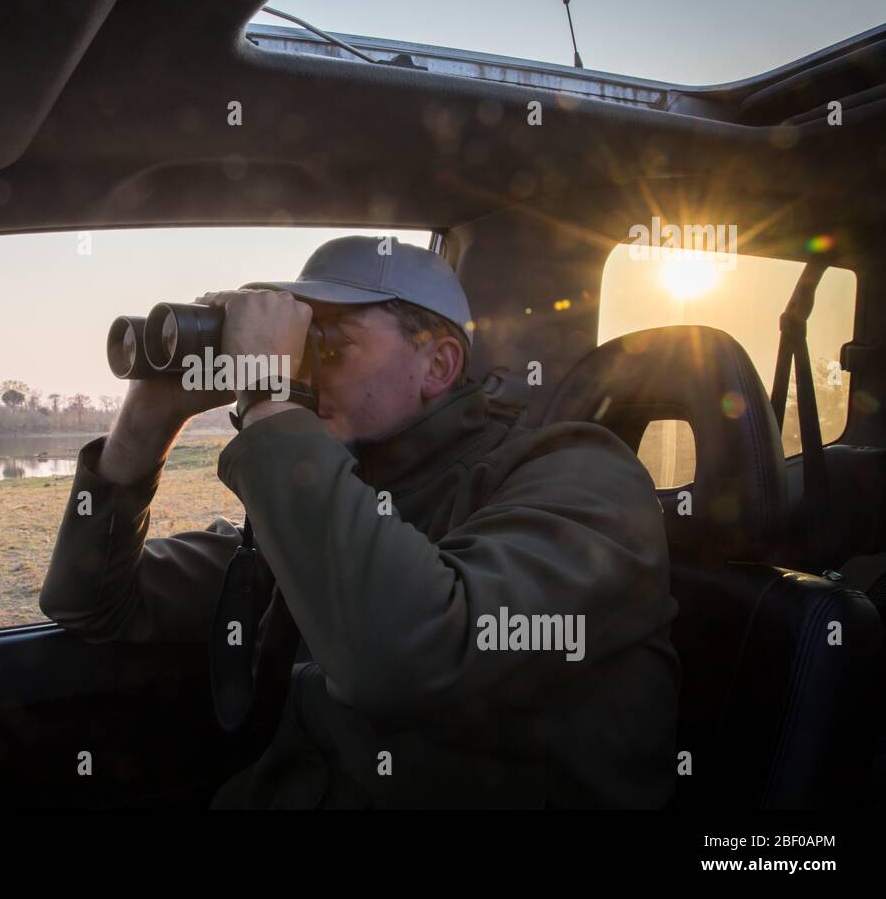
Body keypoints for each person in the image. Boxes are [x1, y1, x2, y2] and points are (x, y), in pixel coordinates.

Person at [40, 235, 680, 808]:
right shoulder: (341, 488)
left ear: (439, 366)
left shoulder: (579, 476)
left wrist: (271, 401)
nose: (302, 371)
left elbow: (409, 657)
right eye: (297, 347)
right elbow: (94, 606)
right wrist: (146, 425)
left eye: (327, 345)